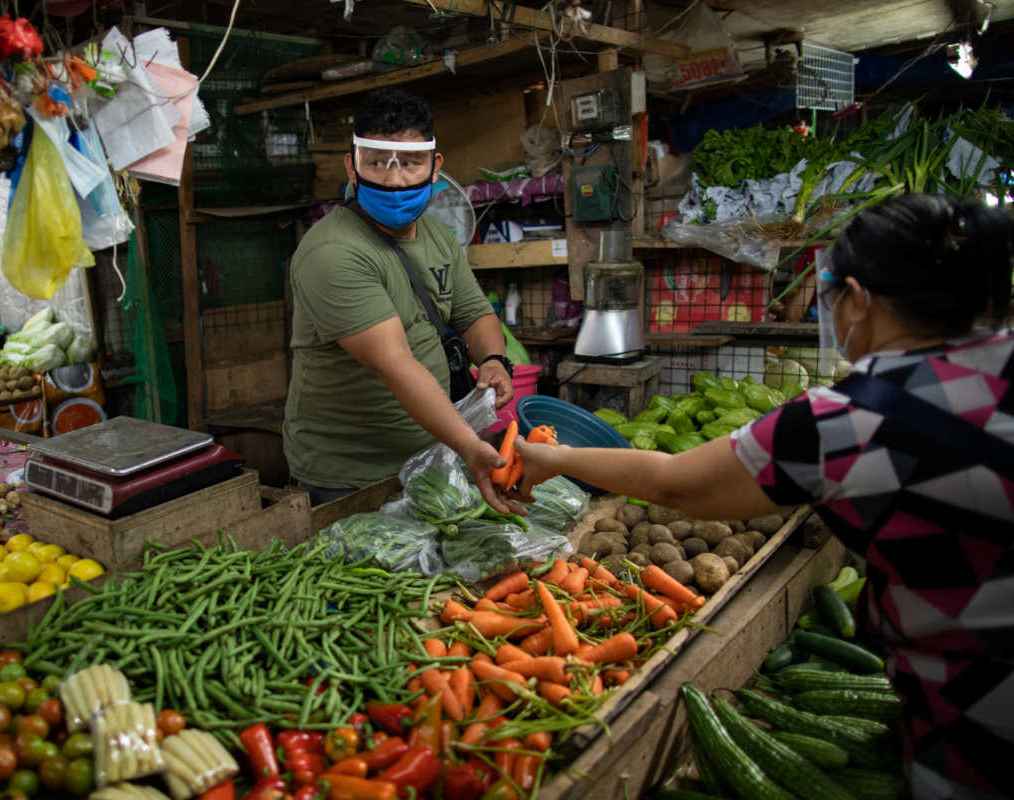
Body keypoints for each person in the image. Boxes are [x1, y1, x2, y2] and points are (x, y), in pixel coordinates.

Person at [512, 194, 1014, 800]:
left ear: (856, 297)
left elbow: (677, 484)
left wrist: (551, 459)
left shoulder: (857, 417)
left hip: (978, 724)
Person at [283, 88, 517, 510]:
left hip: (430, 460)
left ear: (434, 167)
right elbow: (393, 363)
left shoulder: (436, 236)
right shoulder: (332, 252)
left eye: (410, 163)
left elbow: (474, 312)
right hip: (349, 480)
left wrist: (494, 361)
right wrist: (469, 445)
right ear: (352, 166)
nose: (394, 180)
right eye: (377, 162)